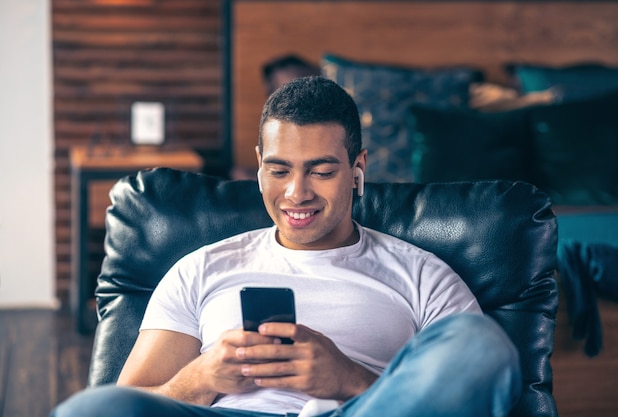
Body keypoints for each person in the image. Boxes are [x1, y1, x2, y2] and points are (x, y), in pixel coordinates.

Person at [51, 76, 521, 417]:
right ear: (258, 167)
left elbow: (473, 391)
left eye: (321, 171)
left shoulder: (422, 275)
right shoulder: (201, 269)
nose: (297, 193)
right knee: (92, 410)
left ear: (358, 168)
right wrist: (201, 377)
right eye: (279, 171)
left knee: (479, 344)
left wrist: (350, 382)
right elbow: (131, 399)